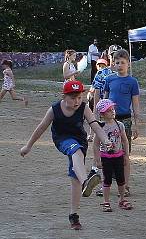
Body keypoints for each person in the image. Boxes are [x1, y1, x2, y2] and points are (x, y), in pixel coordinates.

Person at [19, 80, 109, 230]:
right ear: (64, 96)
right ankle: (86, 181)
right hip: (62, 139)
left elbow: (94, 125)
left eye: (79, 97)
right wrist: (28, 146)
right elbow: (41, 128)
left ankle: (74, 215)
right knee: (75, 151)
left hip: (80, 140)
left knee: (75, 172)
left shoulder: (84, 107)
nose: (77, 101)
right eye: (73, 98)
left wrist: (105, 140)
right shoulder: (54, 110)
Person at [102, 49, 141, 197]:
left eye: (123, 62)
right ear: (113, 64)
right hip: (109, 120)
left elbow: (136, 104)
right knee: (107, 153)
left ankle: (125, 185)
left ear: (128, 64)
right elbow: (104, 101)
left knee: (124, 154)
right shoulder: (109, 80)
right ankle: (106, 185)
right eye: (117, 62)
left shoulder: (132, 82)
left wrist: (137, 124)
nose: (120, 65)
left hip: (125, 121)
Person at [92, 99, 131, 212]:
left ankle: (122, 199)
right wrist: (97, 159)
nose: (112, 112)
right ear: (102, 114)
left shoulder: (120, 125)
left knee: (121, 179)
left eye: (113, 109)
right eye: (109, 110)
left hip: (118, 156)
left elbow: (124, 141)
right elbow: (95, 145)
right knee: (107, 180)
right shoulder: (100, 127)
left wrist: (126, 155)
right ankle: (106, 201)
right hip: (106, 157)